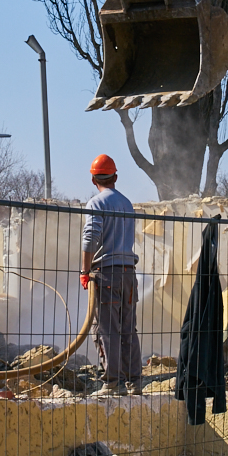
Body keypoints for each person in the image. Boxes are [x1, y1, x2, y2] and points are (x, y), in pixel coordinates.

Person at [80, 153, 142, 396]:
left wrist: (85, 271)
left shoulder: (96, 203)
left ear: (93, 179)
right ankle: (135, 382)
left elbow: (90, 238)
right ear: (115, 176)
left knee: (107, 329)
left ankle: (113, 383)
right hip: (129, 274)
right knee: (129, 328)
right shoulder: (127, 204)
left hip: (107, 275)